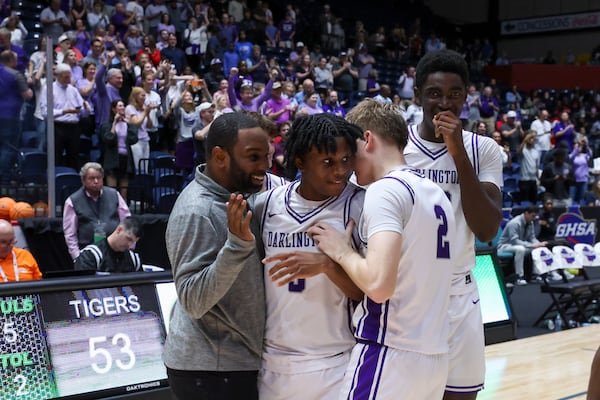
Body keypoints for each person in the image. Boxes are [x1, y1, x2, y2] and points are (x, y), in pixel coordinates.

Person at [308, 99, 455, 399]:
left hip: (390, 353)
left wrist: (341, 251)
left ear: (368, 139)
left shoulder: (384, 190)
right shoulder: (437, 194)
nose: (347, 165)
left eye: (352, 152)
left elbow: (378, 285)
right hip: (435, 357)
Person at [403, 49, 503, 399]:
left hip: (460, 293)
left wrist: (457, 152)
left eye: (454, 94)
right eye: (434, 93)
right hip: (407, 294)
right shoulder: (395, 145)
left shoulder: (483, 149)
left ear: (466, 96)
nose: (444, 103)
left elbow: (488, 228)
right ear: (417, 95)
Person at [251, 113, 363, 400]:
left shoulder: (359, 205)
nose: (340, 171)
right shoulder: (267, 204)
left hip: (336, 358)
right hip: (275, 359)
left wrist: (327, 266)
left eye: (346, 160)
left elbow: (371, 292)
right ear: (299, 161)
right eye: (328, 162)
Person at [163, 112, 270, 400]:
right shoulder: (197, 212)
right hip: (211, 371)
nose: (265, 166)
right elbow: (193, 300)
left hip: (228, 366)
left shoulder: (233, 195)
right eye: (254, 157)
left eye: (267, 156)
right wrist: (237, 246)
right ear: (220, 156)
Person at [63, 162, 131, 260]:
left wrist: (128, 248)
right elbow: (70, 235)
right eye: (91, 178)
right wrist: (78, 258)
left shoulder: (114, 195)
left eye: (99, 178)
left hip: (115, 252)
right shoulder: (72, 201)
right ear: (83, 180)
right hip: (87, 253)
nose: (96, 181)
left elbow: (127, 222)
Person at [497, 206, 548, 285]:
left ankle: (538, 274)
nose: (534, 218)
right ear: (526, 213)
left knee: (538, 249)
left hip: (519, 245)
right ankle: (519, 277)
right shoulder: (514, 223)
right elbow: (514, 241)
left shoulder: (530, 223)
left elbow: (532, 238)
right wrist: (532, 245)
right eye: (533, 216)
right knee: (520, 249)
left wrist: (539, 244)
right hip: (504, 246)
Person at [75, 216, 142, 272]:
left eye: (133, 242)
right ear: (119, 230)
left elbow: (142, 286)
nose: (129, 245)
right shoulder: (90, 256)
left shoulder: (134, 260)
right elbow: (81, 286)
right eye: (128, 239)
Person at [517, 131, 540, 204]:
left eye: (533, 138)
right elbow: (518, 152)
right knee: (524, 201)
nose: (531, 139)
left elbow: (536, 166)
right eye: (530, 138)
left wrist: (538, 178)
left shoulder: (536, 151)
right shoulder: (523, 149)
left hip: (533, 180)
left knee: (534, 201)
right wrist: (524, 140)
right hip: (524, 180)